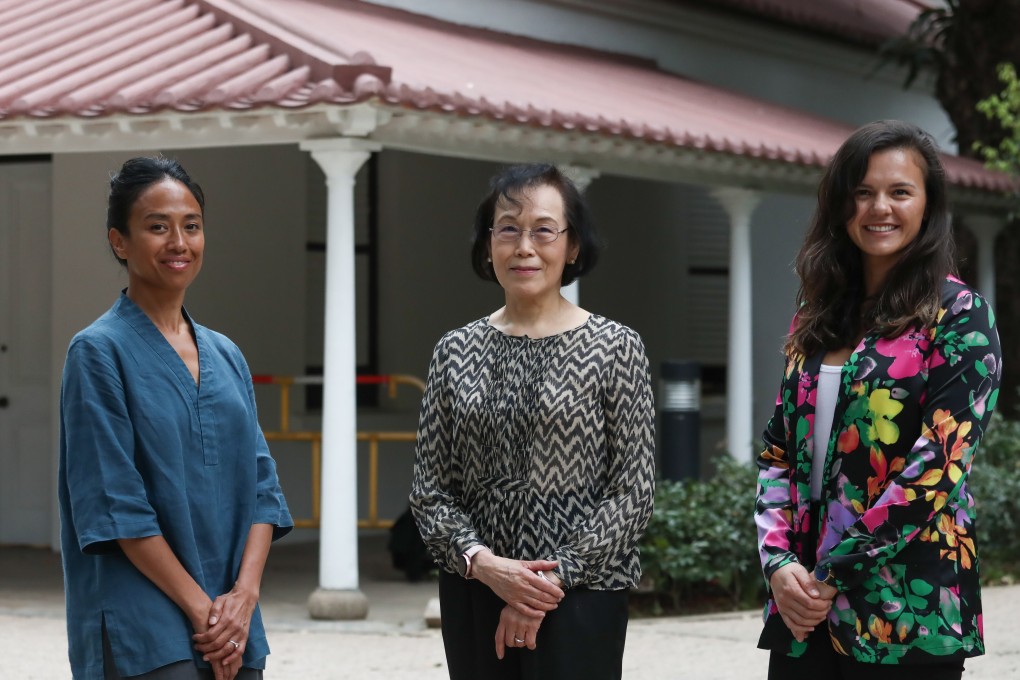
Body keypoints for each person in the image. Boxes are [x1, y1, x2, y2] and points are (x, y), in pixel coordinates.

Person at [754, 120, 1003, 680]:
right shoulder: (816, 315)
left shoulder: (959, 315)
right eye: (862, 192)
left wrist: (831, 573)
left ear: (928, 204)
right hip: (803, 613)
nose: (879, 208)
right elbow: (777, 453)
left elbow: (938, 465)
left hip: (909, 614)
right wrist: (778, 562)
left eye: (899, 191)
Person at [409, 163, 656, 679]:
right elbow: (430, 492)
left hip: (581, 596)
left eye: (544, 230)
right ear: (488, 245)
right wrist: (486, 565)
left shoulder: (615, 347)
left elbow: (632, 493)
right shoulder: (454, 351)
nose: (524, 247)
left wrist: (545, 584)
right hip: (475, 591)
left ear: (573, 246)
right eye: (508, 229)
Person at [58, 156, 293, 680]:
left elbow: (263, 487)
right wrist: (204, 611)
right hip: (143, 619)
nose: (179, 243)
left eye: (191, 226)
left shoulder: (226, 354)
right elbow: (117, 505)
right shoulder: (97, 352)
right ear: (119, 241)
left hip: (232, 614)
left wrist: (243, 598)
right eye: (158, 227)